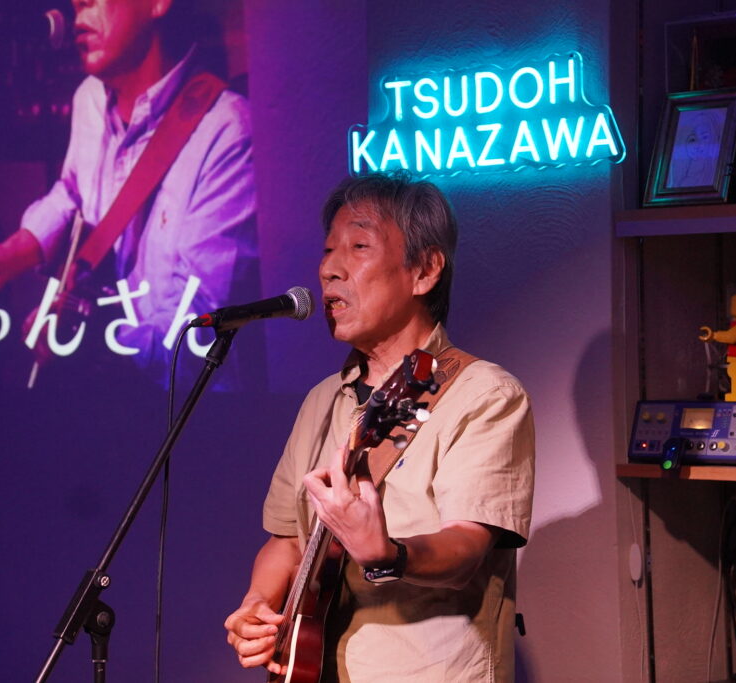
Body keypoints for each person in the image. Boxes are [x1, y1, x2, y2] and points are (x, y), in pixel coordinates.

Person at [224, 173, 535, 682]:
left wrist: (389, 553)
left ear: (425, 270)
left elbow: (465, 549)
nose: (329, 269)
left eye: (359, 246)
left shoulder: (485, 395)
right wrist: (257, 604)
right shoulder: (322, 400)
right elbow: (287, 541)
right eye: (328, 250)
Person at [0, 0, 258, 380]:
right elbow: (73, 193)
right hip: (95, 386)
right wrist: (13, 253)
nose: (79, 2)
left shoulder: (227, 131)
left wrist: (89, 340)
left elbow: (202, 324)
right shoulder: (89, 99)